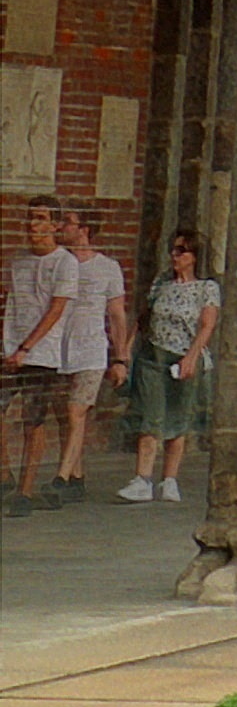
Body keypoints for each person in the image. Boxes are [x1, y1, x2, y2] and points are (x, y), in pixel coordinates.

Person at [119, 229, 218, 504]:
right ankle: (142, 478)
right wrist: (126, 350)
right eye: (173, 250)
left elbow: (207, 324)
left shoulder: (206, 288)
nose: (175, 256)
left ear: (194, 256)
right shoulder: (162, 282)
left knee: (178, 419)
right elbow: (144, 316)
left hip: (183, 357)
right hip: (154, 355)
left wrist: (191, 356)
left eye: (181, 251)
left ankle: (170, 479)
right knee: (151, 417)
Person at [46, 205, 129, 500]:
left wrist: (120, 358)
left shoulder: (107, 267)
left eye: (68, 223)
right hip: (59, 347)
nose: (63, 228)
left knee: (76, 410)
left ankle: (60, 476)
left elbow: (117, 314)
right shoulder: (58, 263)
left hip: (91, 348)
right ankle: (76, 478)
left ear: (84, 230)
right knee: (64, 415)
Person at [3, 203, 63, 510]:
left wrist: (28, 347)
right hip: (12, 349)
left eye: (41, 219)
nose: (33, 225)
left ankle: (25, 492)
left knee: (33, 420)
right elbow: (13, 303)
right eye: (30, 218)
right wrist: (10, 345)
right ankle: (6, 477)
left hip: (41, 353)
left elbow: (56, 308)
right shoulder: (19, 261)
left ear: (55, 225)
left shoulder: (63, 262)